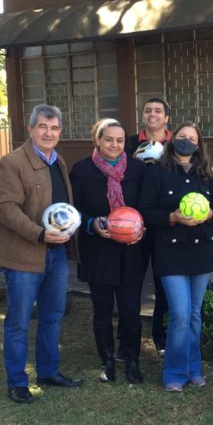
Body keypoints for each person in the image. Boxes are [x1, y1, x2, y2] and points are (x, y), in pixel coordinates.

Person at [0, 104, 82, 403]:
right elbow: (4, 209)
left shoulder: (59, 162)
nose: (49, 133)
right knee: (18, 320)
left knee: (53, 316)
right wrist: (39, 234)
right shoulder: (12, 163)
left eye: (55, 128)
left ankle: (48, 371)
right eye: (43, 126)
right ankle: (17, 382)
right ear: (30, 129)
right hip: (24, 256)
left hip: (56, 254)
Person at [142, 122, 213, 392]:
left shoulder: (207, 175)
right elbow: (146, 211)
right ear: (172, 139)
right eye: (182, 137)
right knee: (179, 313)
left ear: (199, 144)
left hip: (201, 251)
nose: (186, 141)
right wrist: (172, 217)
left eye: (192, 138)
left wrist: (210, 214)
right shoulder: (158, 172)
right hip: (171, 252)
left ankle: (193, 369)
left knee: (193, 313)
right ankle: (174, 374)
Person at [70, 118, 148, 384]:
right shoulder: (81, 170)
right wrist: (92, 224)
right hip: (98, 250)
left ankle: (131, 359)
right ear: (98, 140)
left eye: (119, 140)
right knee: (102, 310)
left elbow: (147, 206)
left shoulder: (138, 169)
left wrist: (140, 227)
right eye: (108, 139)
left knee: (130, 310)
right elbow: (74, 210)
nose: (114, 144)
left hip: (131, 251)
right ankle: (107, 360)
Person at [124, 96, 171, 355]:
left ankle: (161, 338)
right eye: (147, 110)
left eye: (158, 111)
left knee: (164, 284)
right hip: (134, 223)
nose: (152, 114)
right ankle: (129, 339)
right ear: (143, 116)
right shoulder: (129, 143)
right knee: (132, 282)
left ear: (166, 118)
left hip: (167, 224)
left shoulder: (177, 144)